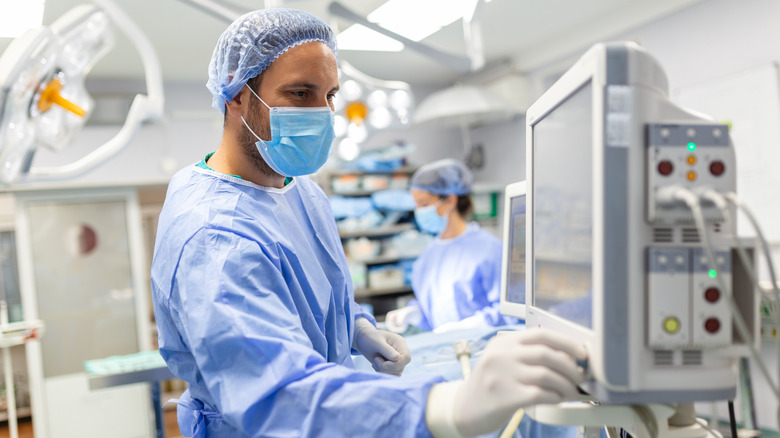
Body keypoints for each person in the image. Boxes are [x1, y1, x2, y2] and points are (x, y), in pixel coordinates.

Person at [151, 8, 587, 438]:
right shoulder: (212, 235)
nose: (322, 113)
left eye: (330, 95)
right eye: (300, 93)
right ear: (236, 95)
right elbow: (277, 394)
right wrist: (447, 407)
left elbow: (327, 295)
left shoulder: (302, 192)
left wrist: (357, 328)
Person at [386, 159, 513, 333]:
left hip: (485, 346)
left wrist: (472, 326)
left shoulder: (490, 249)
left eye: (424, 204)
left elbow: (510, 311)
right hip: (444, 346)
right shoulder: (428, 255)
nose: (419, 212)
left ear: (450, 200)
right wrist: (415, 313)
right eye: (416, 205)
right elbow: (434, 309)